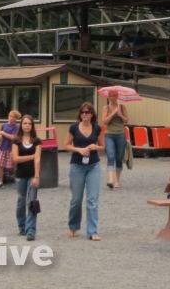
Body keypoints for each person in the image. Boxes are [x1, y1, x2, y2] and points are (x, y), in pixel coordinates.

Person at [65, 101, 104, 240]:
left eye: (87, 112)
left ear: (92, 114)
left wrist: (96, 147)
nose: (84, 114)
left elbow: (103, 147)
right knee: (76, 199)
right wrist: (78, 149)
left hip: (93, 165)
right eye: (82, 112)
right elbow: (67, 145)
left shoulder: (97, 128)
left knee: (92, 200)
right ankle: (73, 226)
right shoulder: (74, 127)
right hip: (77, 165)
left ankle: (92, 231)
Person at [11, 114, 41, 241]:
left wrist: (36, 176)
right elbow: (16, 158)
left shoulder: (37, 141)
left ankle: (31, 230)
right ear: (21, 125)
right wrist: (31, 156)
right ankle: (22, 226)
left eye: (29, 123)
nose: (27, 125)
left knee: (32, 201)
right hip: (20, 175)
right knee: (21, 202)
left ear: (32, 126)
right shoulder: (16, 140)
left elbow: (38, 159)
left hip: (32, 175)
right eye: (25, 123)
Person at [100, 89, 129, 189]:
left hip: (120, 134)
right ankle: (110, 180)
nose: (112, 98)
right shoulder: (106, 108)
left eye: (114, 96)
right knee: (111, 156)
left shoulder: (122, 107)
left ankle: (117, 181)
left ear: (117, 97)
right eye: (110, 96)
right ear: (108, 97)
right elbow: (104, 121)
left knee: (119, 157)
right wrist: (113, 113)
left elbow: (126, 120)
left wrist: (120, 114)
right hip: (109, 134)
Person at [0, 110, 20, 189]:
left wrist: (3, 134)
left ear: (16, 119)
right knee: (0, 165)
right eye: (10, 116)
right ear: (8, 116)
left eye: (14, 117)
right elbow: (1, 136)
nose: (11, 118)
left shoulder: (16, 127)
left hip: (10, 149)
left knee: (11, 166)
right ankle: (0, 182)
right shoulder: (4, 125)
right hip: (2, 148)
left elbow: (13, 137)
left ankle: (19, 179)